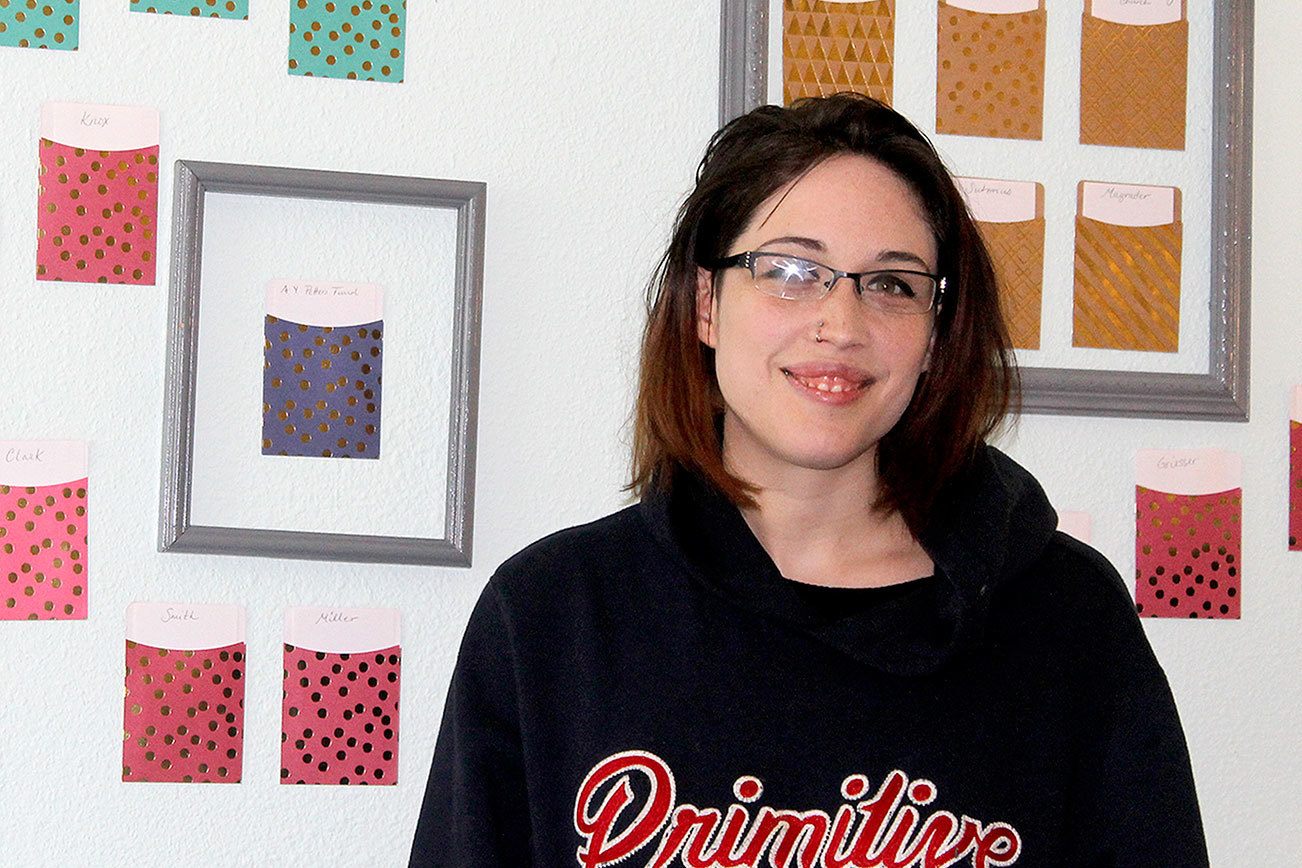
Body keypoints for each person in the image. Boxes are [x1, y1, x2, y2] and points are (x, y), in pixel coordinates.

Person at [410, 93, 1208, 867]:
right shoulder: (553, 620)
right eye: (792, 270)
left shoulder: (1070, 623)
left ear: (934, 338)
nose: (842, 323)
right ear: (706, 304)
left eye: (892, 283)